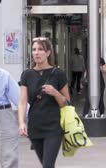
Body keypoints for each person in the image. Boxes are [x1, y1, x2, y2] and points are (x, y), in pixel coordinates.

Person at [18, 37, 70, 168]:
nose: (36, 52)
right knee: (46, 164)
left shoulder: (58, 73)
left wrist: (55, 93)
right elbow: (22, 102)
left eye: (40, 49)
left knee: (47, 165)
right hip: (35, 127)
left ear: (48, 53)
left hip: (54, 126)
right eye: (34, 49)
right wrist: (21, 123)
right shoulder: (26, 74)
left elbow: (67, 103)